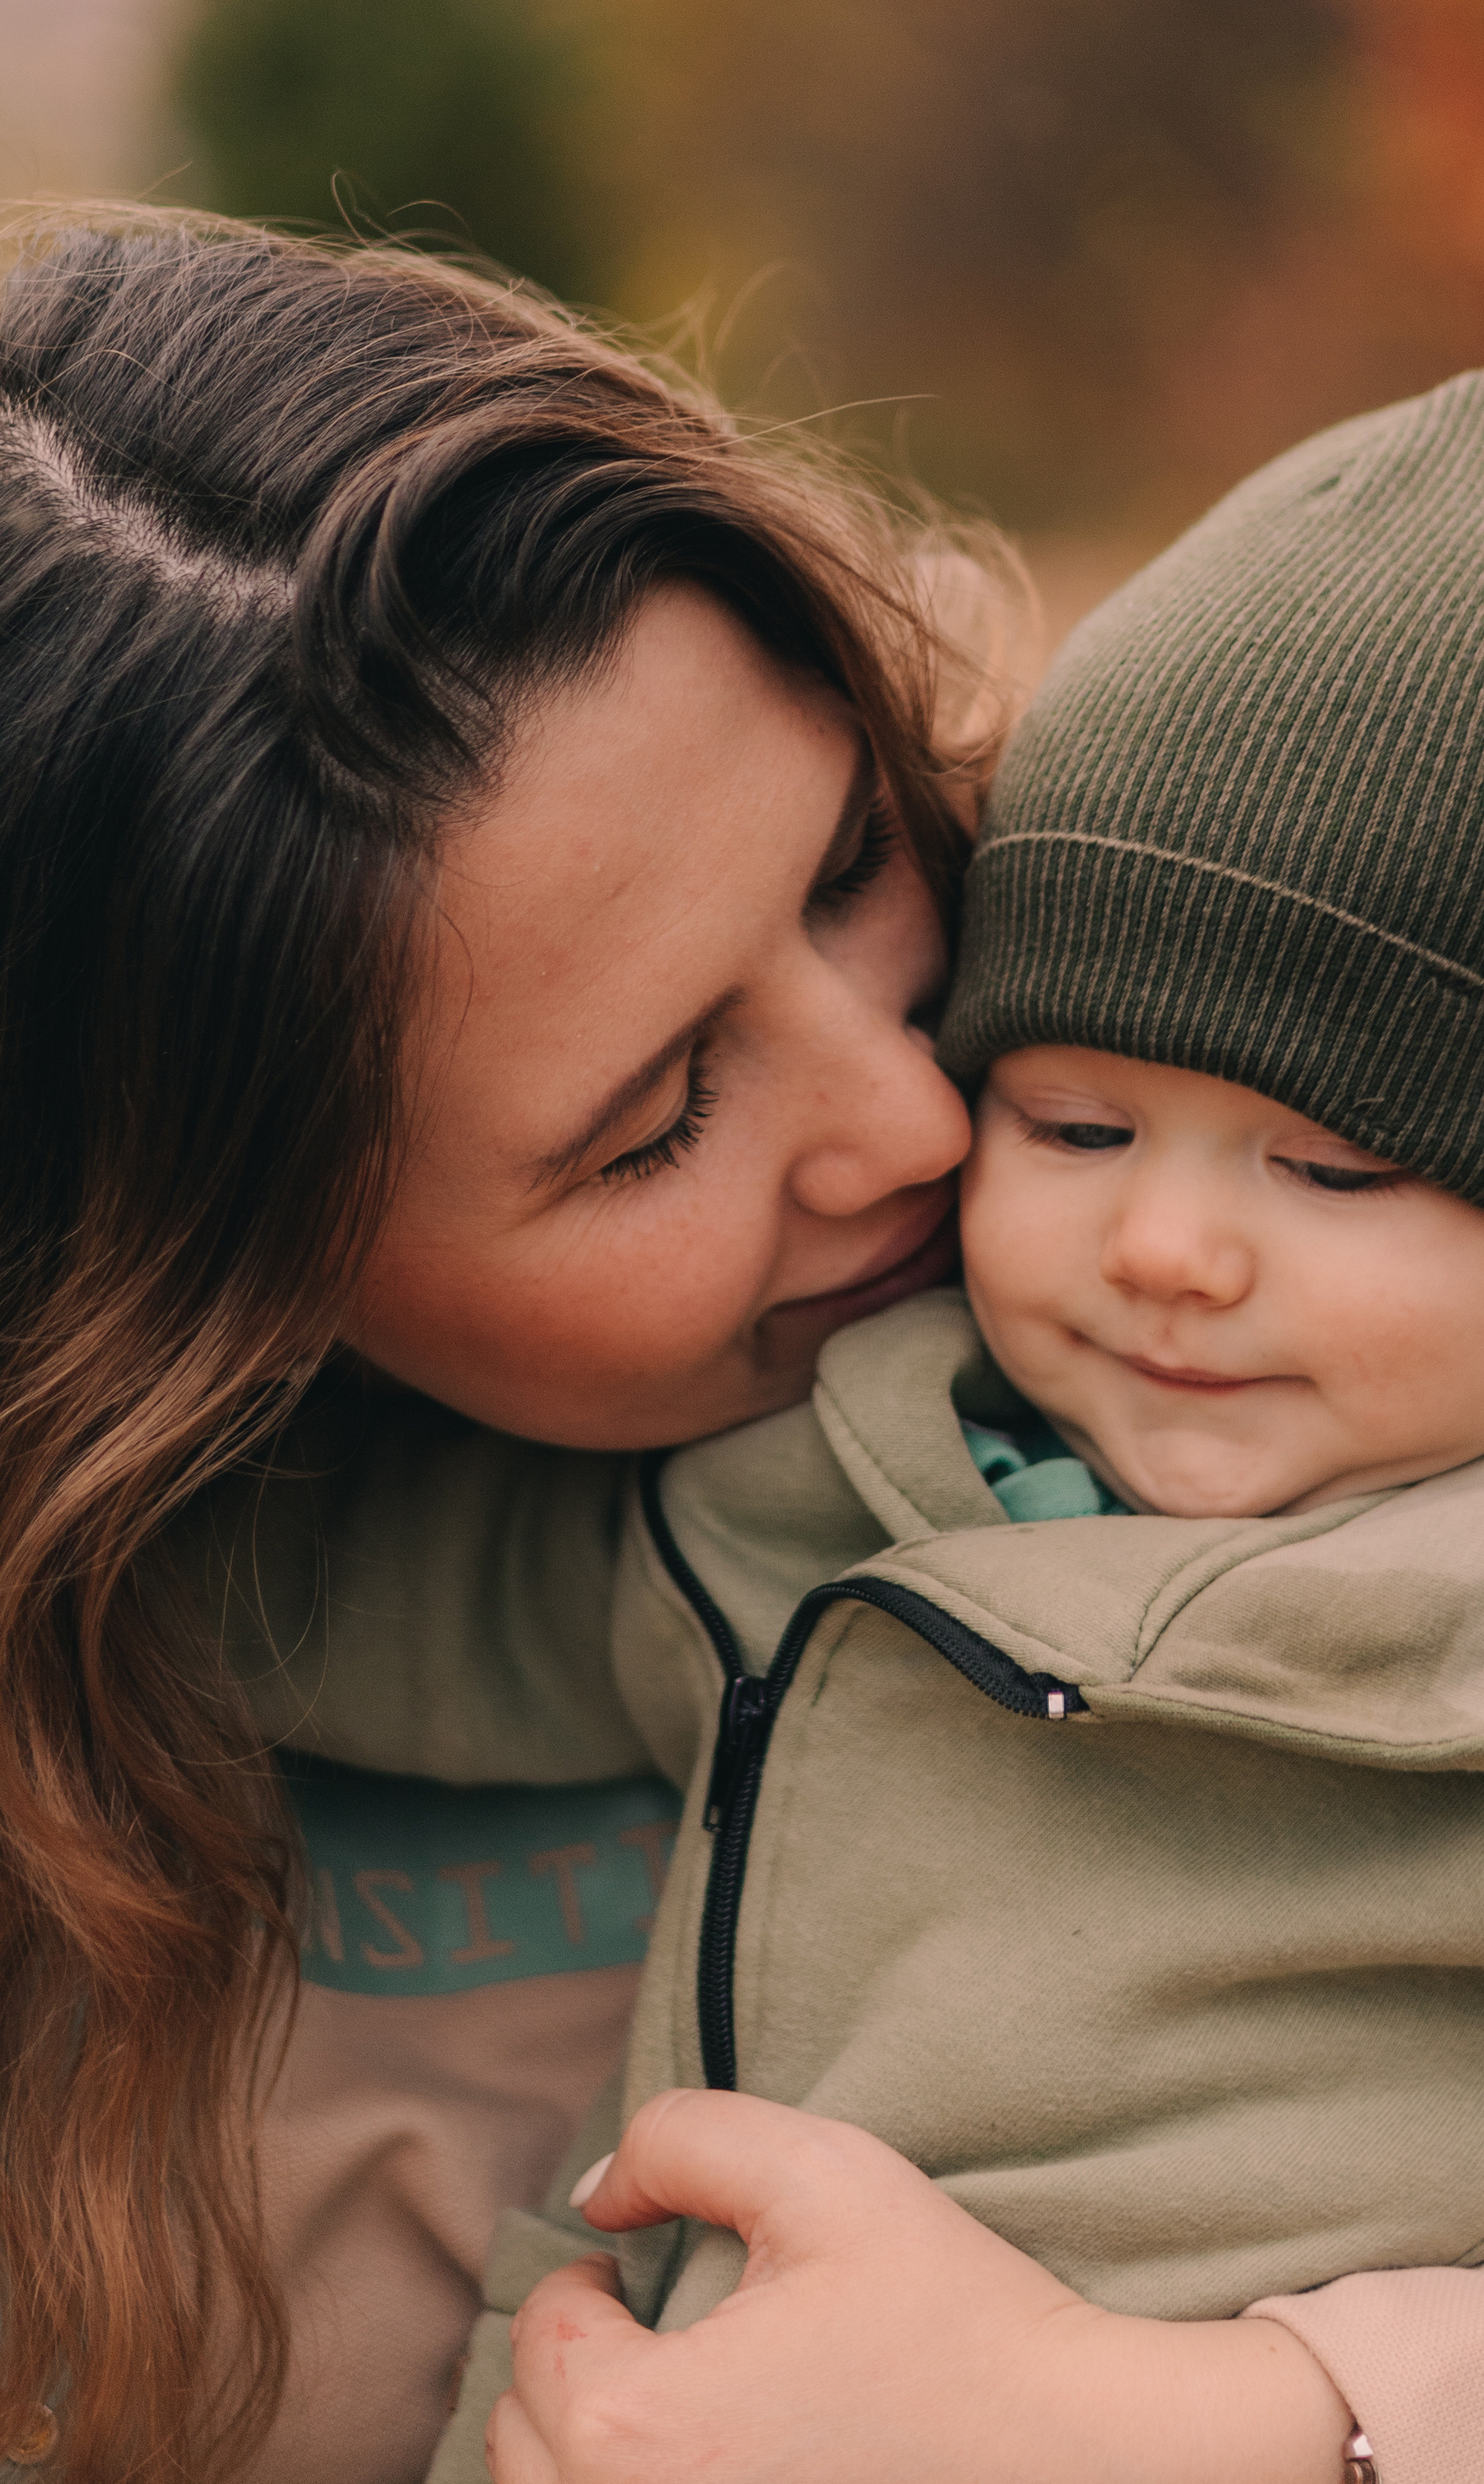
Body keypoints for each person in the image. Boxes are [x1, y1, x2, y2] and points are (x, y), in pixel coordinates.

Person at [470, 373, 1484, 2484]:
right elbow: (366, 1612)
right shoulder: (829, 1471)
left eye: (1331, 1171)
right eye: (1074, 1125)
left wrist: (1261, 2420)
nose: (1165, 1250)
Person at [0, 201, 1008, 2484]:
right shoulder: (102, 1852)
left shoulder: (1263, 1193)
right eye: (658, 1124)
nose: (917, 1118)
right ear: (213, 1299)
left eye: (852, 863)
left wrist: (1255, 2425)